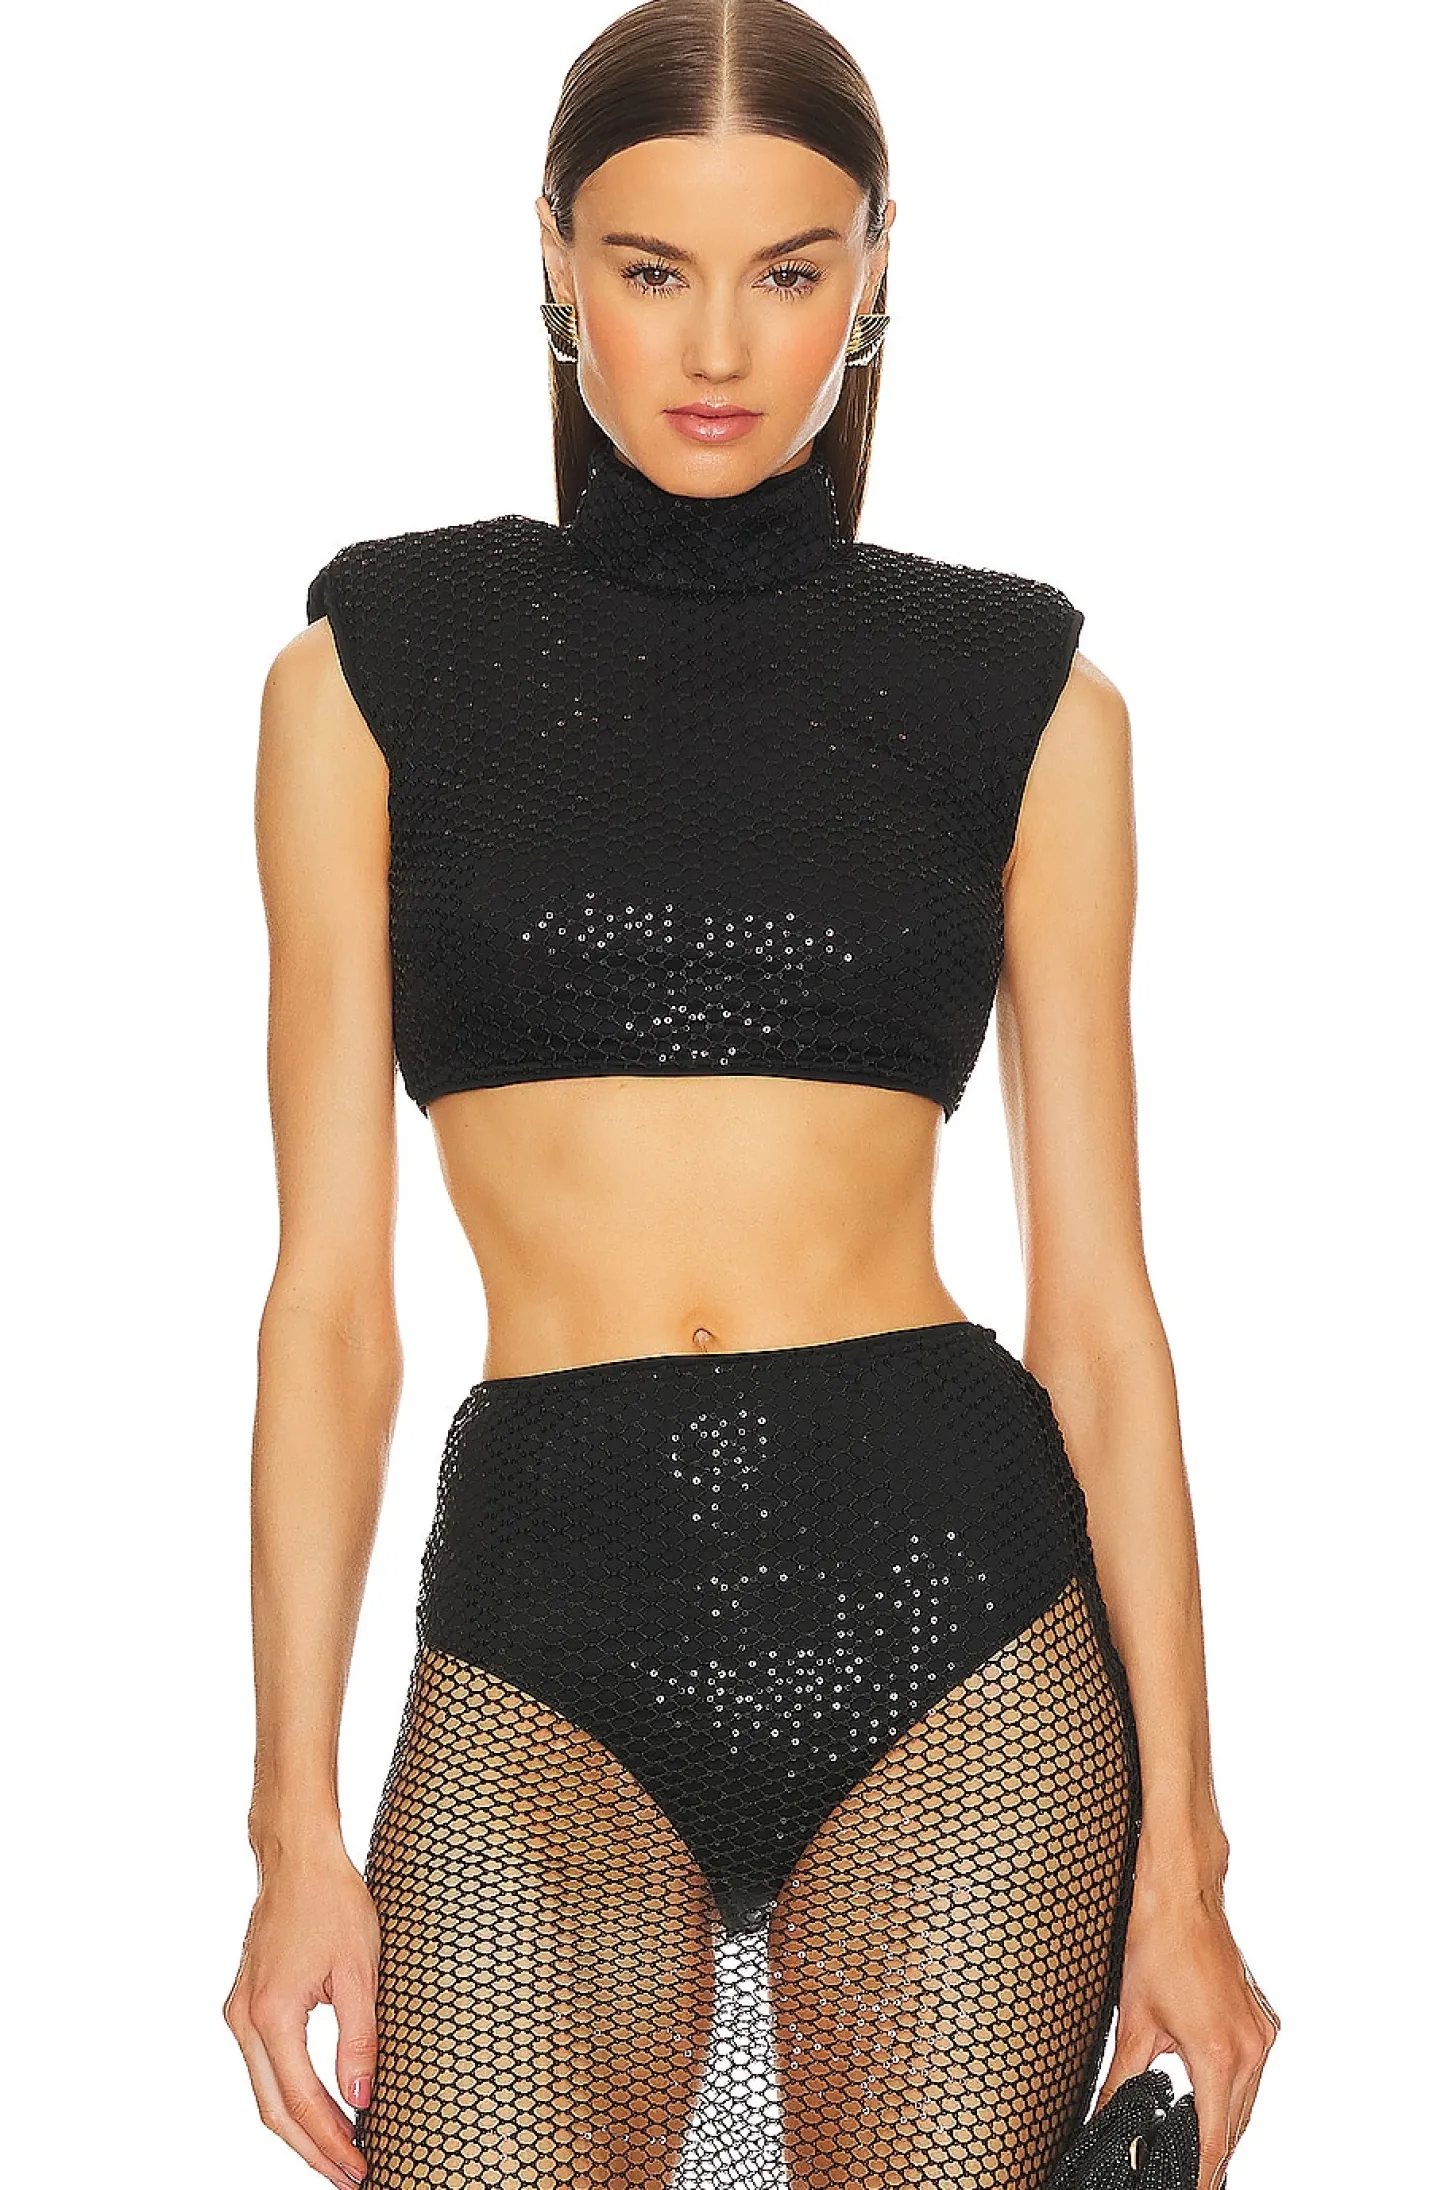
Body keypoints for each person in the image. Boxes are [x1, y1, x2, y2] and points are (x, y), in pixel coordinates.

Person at [223, 5, 1279, 2186]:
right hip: (543, 1621)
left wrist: (1188, 1858)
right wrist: (290, 1823)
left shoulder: (1026, 696)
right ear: (553, 255)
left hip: (957, 1631)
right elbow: (327, 1304)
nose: (720, 345)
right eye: (652, 268)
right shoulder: (369, 671)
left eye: (790, 271)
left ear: (875, 269)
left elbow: (1099, 1315)